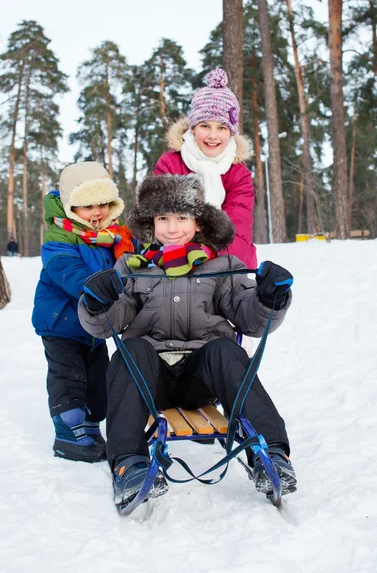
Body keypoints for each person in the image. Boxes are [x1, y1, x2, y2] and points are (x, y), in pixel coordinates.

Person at [78, 174, 296, 508]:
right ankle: (129, 464)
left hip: (201, 377)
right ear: (152, 223)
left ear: (199, 222)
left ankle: (272, 455)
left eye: (182, 217)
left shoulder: (222, 265)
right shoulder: (134, 268)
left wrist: (270, 298)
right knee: (131, 349)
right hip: (148, 379)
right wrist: (97, 304)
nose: (172, 227)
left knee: (226, 349)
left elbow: (250, 318)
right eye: (163, 218)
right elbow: (109, 322)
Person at [32, 162, 133, 463]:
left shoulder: (113, 236)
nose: (97, 211)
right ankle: (68, 431)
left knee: (98, 378)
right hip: (60, 322)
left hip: (94, 326)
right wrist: (93, 285)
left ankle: (91, 424)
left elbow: (132, 262)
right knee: (69, 377)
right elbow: (65, 269)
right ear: (71, 205)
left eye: (103, 203)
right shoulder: (59, 234)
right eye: (88, 205)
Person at [154, 68, 257, 269]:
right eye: (205, 126)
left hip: (227, 264)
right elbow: (162, 219)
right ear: (193, 128)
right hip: (177, 261)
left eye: (222, 128)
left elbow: (238, 226)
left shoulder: (239, 174)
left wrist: (213, 266)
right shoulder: (170, 164)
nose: (213, 136)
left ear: (231, 132)